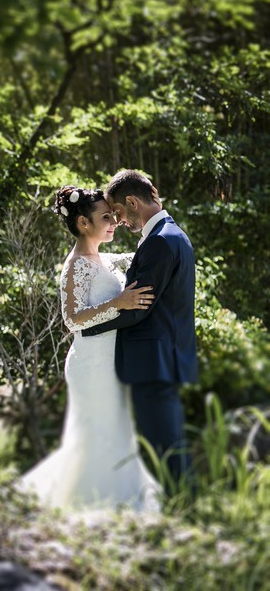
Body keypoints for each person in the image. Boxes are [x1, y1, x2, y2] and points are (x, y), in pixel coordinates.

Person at [20, 184, 162, 513]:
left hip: (112, 363)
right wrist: (119, 302)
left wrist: (153, 227)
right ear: (83, 223)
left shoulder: (102, 257)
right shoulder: (75, 266)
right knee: (97, 433)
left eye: (114, 216)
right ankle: (93, 503)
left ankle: (123, 499)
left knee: (117, 430)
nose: (114, 221)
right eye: (106, 217)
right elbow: (72, 320)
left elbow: (140, 255)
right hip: (91, 366)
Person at [82, 170, 197, 492]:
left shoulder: (160, 240)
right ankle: (182, 502)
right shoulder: (169, 234)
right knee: (167, 437)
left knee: (162, 441)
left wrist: (86, 329)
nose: (118, 221)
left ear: (132, 202)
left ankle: (179, 506)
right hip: (163, 356)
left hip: (155, 360)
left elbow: (137, 307)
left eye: (118, 212)